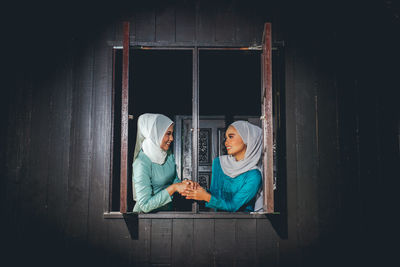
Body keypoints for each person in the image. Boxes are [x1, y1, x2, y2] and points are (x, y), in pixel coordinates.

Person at [181, 120, 262, 212]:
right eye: (226, 138)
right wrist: (198, 190)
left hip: (243, 222)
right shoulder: (219, 163)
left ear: (247, 138)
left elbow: (233, 206)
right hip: (217, 220)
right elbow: (215, 194)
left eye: (231, 137)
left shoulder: (254, 175)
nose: (226, 142)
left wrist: (206, 196)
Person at [132, 113, 191, 213]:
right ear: (156, 133)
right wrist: (174, 188)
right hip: (145, 219)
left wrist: (186, 185)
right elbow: (145, 205)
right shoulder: (141, 163)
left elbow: (174, 180)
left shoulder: (167, 154)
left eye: (172, 134)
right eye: (168, 134)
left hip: (166, 213)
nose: (172, 138)